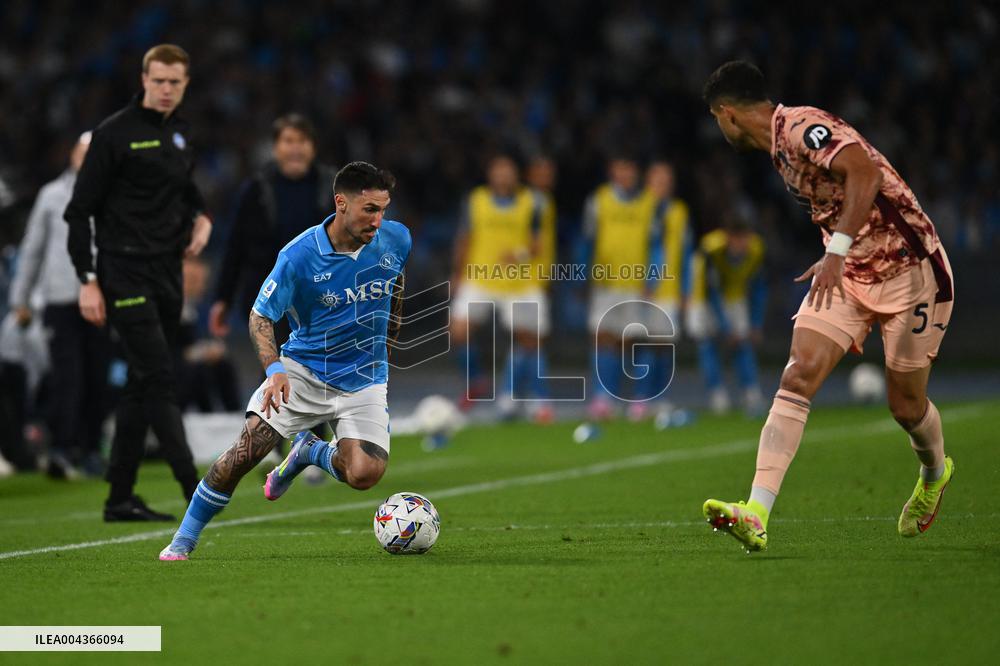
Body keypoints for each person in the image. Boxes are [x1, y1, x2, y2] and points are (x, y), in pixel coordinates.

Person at [700, 61, 955, 551]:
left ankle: (934, 473)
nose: (718, 129)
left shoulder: (799, 128)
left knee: (905, 405)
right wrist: (838, 254)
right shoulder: (778, 150)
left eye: (715, 119)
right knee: (799, 374)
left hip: (913, 273)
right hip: (850, 273)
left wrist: (834, 251)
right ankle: (756, 511)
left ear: (727, 114)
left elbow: (864, 171)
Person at [159, 161, 409, 561]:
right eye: (370, 210)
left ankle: (309, 452)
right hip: (303, 372)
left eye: (383, 209)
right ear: (341, 203)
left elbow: (395, 285)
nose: (379, 220)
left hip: (364, 378)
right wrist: (274, 370)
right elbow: (261, 315)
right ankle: (184, 539)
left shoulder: (396, 239)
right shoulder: (298, 256)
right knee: (246, 452)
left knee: (364, 475)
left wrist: (388, 344)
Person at [64, 44, 212, 521]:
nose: (167, 89)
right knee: (160, 378)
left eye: (175, 82)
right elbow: (78, 212)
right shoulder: (112, 135)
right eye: (159, 81)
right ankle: (198, 490)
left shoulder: (181, 135)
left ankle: (118, 498)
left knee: (141, 383)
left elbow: (188, 194)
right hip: (122, 271)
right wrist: (88, 280)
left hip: (167, 271)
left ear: (185, 85)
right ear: (144, 79)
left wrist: (202, 217)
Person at [9, 132, 112, 478]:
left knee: (98, 378)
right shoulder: (52, 196)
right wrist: (19, 299)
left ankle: (90, 447)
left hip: (103, 300)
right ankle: (62, 447)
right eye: (82, 152)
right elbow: (32, 249)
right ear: (71, 155)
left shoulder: (113, 195)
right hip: (61, 299)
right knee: (67, 377)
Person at [209, 114, 335, 343]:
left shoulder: (333, 187)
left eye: (302, 141)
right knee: (276, 369)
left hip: (321, 295)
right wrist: (223, 298)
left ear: (313, 148)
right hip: (269, 296)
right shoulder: (256, 190)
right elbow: (235, 246)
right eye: (288, 141)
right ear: (275, 148)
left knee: (320, 370)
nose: (295, 148)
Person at [450, 155, 552, 420]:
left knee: (531, 339)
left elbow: (538, 242)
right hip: (480, 277)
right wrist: (458, 274)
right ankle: (477, 381)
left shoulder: (532, 202)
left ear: (516, 175)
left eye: (508, 171)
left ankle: (531, 398)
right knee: (458, 331)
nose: (504, 176)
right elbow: (464, 237)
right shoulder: (476, 200)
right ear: (490, 174)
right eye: (499, 171)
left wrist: (517, 254)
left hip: (520, 282)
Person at [582, 155, 659, 419]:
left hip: (635, 283)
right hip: (605, 282)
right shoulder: (598, 201)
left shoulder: (649, 203)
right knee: (602, 338)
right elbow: (588, 240)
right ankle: (603, 397)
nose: (625, 174)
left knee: (632, 340)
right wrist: (584, 275)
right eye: (620, 169)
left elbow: (655, 243)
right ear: (612, 171)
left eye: (629, 169)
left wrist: (652, 278)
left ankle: (639, 398)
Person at [686, 217, 767, 415]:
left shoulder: (756, 249)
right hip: (702, 297)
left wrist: (756, 323)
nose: (741, 245)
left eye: (744, 239)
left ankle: (751, 392)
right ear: (728, 238)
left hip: (734, 295)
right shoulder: (711, 250)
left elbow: (758, 287)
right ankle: (717, 394)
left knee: (743, 342)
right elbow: (711, 291)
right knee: (708, 343)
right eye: (737, 239)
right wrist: (725, 328)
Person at [635, 160, 693, 421]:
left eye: (667, 181)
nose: (663, 186)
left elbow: (684, 252)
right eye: (658, 180)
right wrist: (647, 281)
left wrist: (686, 289)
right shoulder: (640, 208)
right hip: (643, 288)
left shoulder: (679, 211)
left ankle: (659, 397)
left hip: (670, 289)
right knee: (644, 344)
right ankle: (640, 398)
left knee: (663, 345)